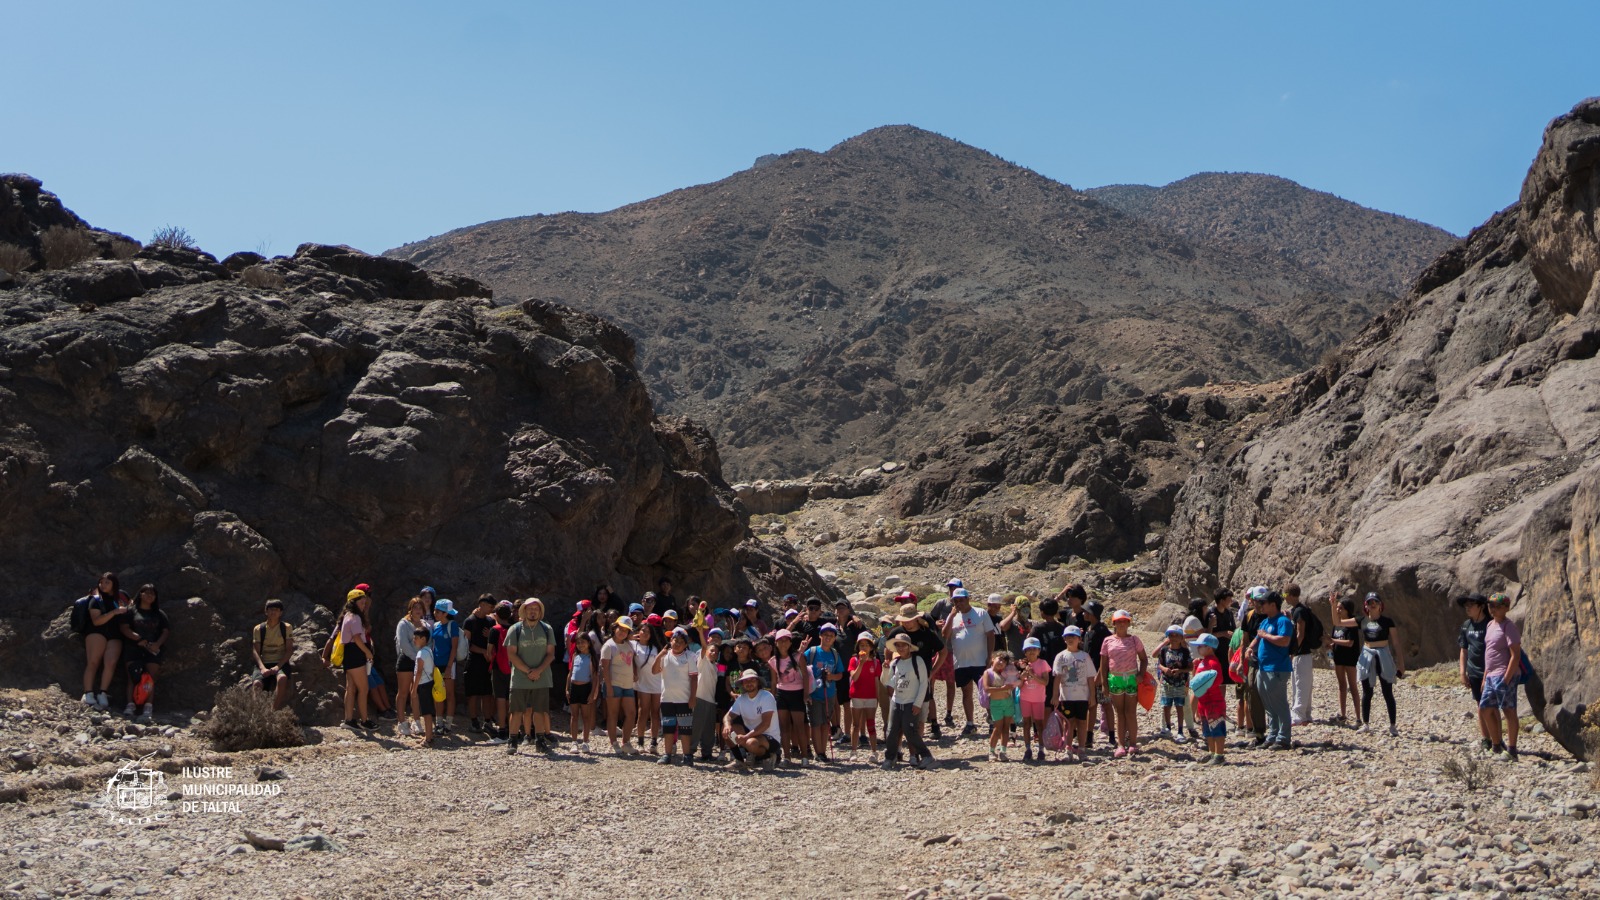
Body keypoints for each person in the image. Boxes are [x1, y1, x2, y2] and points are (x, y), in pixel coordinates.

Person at [886, 601, 946, 743]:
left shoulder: (928, 634)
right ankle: (899, 749)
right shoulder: (897, 632)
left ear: (916, 618)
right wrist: (890, 663)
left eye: (909, 620)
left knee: (919, 717)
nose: (907, 624)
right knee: (899, 718)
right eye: (904, 621)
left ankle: (917, 749)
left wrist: (933, 671)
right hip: (902, 680)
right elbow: (888, 648)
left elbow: (943, 651)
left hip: (921, 681)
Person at [504, 597, 557, 754]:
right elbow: (511, 654)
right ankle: (512, 740)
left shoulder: (547, 629)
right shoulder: (515, 629)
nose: (533, 611)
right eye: (530, 608)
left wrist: (538, 670)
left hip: (542, 676)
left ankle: (540, 740)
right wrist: (529, 671)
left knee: (540, 710)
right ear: (524, 611)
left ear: (540, 611)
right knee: (516, 710)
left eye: (536, 609)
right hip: (520, 677)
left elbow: (551, 654)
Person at [941, 588, 996, 737]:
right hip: (961, 662)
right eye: (955, 600)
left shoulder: (980, 613)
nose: (959, 603)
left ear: (968, 599)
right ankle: (970, 723)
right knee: (966, 692)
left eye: (961, 599)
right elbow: (944, 636)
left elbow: (990, 635)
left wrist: (989, 656)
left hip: (980, 660)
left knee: (985, 691)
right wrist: (951, 616)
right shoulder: (952, 617)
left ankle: (992, 721)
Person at [880, 633, 934, 770]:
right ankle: (890, 757)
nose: (901, 648)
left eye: (903, 645)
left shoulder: (918, 661)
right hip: (896, 701)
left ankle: (926, 755)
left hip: (911, 701)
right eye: (898, 645)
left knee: (910, 731)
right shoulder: (894, 663)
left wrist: (918, 703)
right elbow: (886, 682)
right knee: (891, 731)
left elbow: (924, 683)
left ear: (909, 647)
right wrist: (885, 670)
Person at [1098, 609, 1147, 758]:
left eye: (1124, 621)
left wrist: (1141, 674)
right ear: (1114, 623)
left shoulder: (1134, 640)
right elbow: (1104, 663)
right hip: (1115, 679)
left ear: (1128, 623)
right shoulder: (1107, 641)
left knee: (1130, 712)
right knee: (1119, 713)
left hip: (1131, 679)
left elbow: (1144, 659)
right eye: (1118, 621)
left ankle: (1132, 743)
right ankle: (1120, 745)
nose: (1121, 624)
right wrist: (1104, 684)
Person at [1250, 592, 1294, 750]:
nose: (1261, 606)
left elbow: (1284, 641)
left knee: (1279, 703)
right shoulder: (1265, 621)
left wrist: (1266, 635)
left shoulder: (1283, 621)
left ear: (1273, 605)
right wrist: (1250, 648)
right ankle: (1272, 735)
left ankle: (1284, 738)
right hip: (1263, 667)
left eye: (1264, 603)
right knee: (1268, 705)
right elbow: (1258, 637)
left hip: (1277, 669)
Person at [1481, 593, 1522, 761]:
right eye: (1491, 605)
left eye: (1497, 606)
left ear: (1506, 608)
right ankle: (1496, 745)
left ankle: (1512, 750)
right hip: (1491, 675)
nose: (1493, 609)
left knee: (1508, 710)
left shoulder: (1509, 626)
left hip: (1505, 674)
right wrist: (1485, 677)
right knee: (1485, 709)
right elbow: (1488, 653)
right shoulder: (1490, 625)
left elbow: (1515, 655)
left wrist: (1506, 678)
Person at [1357, 593, 1405, 736]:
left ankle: (1392, 725)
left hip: (1383, 655)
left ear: (1380, 605)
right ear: (1366, 605)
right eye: (1369, 602)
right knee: (1367, 692)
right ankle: (1365, 724)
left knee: (1387, 691)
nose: (1373, 604)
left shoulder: (1387, 621)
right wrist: (1334, 605)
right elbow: (1338, 622)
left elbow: (1396, 642)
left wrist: (1401, 663)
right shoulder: (1362, 621)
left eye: (1375, 602)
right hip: (1367, 655)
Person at [119, 584, 168, 722]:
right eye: (146, 593)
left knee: (150, 679)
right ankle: (130, 706)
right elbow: (124, 628)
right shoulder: (131, 611)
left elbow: (165, 631)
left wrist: (157, 644)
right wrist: (139, 639)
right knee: (132, 676)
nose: (149, 596)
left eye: (152, 594)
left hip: (153, 650)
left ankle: (148, 707)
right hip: (133, 648)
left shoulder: (159, 613)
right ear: (140, 594)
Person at [80, 572, 129, 709]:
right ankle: (88, 693)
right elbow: (96, 621)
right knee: (93, 662)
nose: (103, 585)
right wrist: (114, 612)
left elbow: (129, 610)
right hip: (97, 632)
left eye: (107, 582)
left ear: (114, 584)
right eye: (101, 582)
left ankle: (103, 692)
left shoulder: (120, 597)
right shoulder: (95, 600)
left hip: (115, 634)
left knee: (111, 663)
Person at [651, 626, 699, 764]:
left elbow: (694, 678)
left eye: (680, 641)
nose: (677, 644)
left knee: (685, 730)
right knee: (668, 729)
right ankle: (667, 754)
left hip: (684, 699)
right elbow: (654, 671)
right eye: (674, 640)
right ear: (670, 641)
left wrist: (692, 697)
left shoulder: (690, 656)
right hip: (667, 699)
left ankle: (687, 755)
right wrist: (660, 655)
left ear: (686, 644)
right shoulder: (665, 656)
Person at [723, 669, 782, 771]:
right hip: (752, 734)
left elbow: (765, 724)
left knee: (751, 743)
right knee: (727, 731)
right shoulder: (741, 699)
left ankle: (768, 757)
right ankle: (739, 760)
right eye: (746, 681)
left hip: (770, 736)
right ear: (742, 683)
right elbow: (727, 716)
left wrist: (746, 736)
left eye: (752, 680)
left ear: (758, 682)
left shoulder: (766, 696)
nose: (749, 683)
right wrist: (727, 725)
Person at [1051, 626, 1095, 762]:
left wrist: (1092, 695)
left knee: (1082, 722)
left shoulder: (1084, 656)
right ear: (1064, 639)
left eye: (1073, 637)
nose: (1070, 639)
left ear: (1079, 639)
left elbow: (1090, 677)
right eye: (1067, 637)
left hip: (1082, 696)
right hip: (1066, 696)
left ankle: (1082, 749)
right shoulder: (1061, 656)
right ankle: (1068, 748)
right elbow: (1057, 677)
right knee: (1068, 723)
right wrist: (1055, 695)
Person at [1454, 592, 1492, 751]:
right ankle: (1486, 738)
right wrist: (1462, 672)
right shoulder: (1466, 626)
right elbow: (1464, 650)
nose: (1467, 608)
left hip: (1491, 672)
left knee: (1492, 705)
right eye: (1466, 606)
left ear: (1481, 606)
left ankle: (1497, 738)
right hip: (1474, 672)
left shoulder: (1490, 624)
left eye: (1471, 605)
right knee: (1480, 705)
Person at [335, 588, 375, 730]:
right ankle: (364, 721)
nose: (364, 604)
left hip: (348, 654)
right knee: (363, 689)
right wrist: (368, 653)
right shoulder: (356, 617)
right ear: (354, 602)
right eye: (361, 602)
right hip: (356, 653)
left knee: (350, 688)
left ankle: (349, 720)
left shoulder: (346, 616)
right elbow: (358, 639)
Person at [804, 624, 845, 763]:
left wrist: (831, 677)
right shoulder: (812, 651)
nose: (828, 638)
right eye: (825, 635)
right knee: (815, 723)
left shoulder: (834, 654)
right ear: (820, 636)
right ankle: (819, 752)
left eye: (831, 636)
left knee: (825, 723)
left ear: (834, 638)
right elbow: (801, 666)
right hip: (814, 694)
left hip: (830, 694)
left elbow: (840, 674)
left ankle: (823, 752)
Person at [769, 629, 811, 763]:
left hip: (797, 693)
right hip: (782, 694)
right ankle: (787, 756)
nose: (783, 643)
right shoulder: (773, 661)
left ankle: (804, 756)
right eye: (780, 640)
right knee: (784, 727)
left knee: (799, 726)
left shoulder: (798, 657)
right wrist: (772, 699)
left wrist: (805, 695)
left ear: (790, 642)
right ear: (776, 643)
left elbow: (805, 676)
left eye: (786, 640)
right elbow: (774, 681)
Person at [601, 617, 639, 755]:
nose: (623, 632)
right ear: (614, 628)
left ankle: (626, 742)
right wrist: (609, 687)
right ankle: (614, 743)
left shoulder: (629, 644)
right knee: (613, 715)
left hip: (628, 684)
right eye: (620, 629)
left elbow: (632, 660)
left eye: (626, 630)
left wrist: (635, 672)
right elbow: (604, 668)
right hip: (614, 683)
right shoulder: (608, 646)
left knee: (631, 713)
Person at [1284, 584, 1320, 726]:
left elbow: (1300, 633)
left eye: (1285, 595)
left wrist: (1292, 651)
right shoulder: (1297, 610)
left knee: (1300, 683)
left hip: (1301, 654)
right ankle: (1305, 714)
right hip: (1302, 654)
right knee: (1303, 683)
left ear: (1292, 595)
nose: (1284, 598)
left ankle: (1299, 714)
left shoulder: (1300, 611)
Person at [1189, 633, 1228, 765]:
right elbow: (1196, 679)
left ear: (1210, 648)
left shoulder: (1213, 662)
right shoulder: (1202, 662)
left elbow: (1218, 679)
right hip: (1203, 701)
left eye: (1201, 646)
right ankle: (1212, 753)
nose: (1198, 648)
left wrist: (1206, 686)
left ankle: (1219, 754)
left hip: (1213, 701)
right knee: (1207, 730)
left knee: (1216, 726)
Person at [252, 599, 296, 712]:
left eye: (276, 610)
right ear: (266, 612)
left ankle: (273, 711)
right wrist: (262, 668)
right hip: (264, 662)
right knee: (257, 684)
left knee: (282, 678)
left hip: (280, 662)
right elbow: (255, 651)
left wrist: (278, 666)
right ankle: (257, 713)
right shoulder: (258, 629)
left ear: (280, 612)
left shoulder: (286, 628)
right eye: (270, 610)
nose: (273, 612)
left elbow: (289, 650)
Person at [462, 595, 497, 734]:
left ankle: (487, 721)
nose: (491, 609)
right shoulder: (470, 621)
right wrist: (484, 651)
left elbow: (495, 641)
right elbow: (467, 644)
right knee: (473, 694)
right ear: (482, 604)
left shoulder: (490, 621)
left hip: (487, 663)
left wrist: (490, 649)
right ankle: (474, 721)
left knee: (487, 693)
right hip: (474, 661)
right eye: (490, 606)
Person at [690, 627, 725, 763]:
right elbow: (704, 647)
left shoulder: (717, 666)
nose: (714, 653)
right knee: (696, 727)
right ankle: (690, 751)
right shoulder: (702, 661)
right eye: (712, 650)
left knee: (709, 729)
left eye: (716, 652)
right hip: (699, 697)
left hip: (711, 700)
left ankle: (707, 752)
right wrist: (700, 632)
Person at [846, 631, 882, 762]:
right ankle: (853, 751)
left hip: (871, 697)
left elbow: (876, 681)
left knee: (871, 724)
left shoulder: (876, 662)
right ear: (858, 647)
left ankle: (874, 752)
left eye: (867, 645)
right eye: (861, 645)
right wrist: (861, 663)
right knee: (855, 725)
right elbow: (854, 677)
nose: (864, 648)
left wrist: (877, 698)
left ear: (871, 647)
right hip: (856, 696)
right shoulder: (854, 660)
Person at [1081, 601, 1112, 748]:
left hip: (1099, 674)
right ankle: (1089, 737)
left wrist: (1100, 674)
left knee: (1105, 704)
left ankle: (1112, 736)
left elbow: (1105, 655)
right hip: (1088, 673)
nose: (1083, 613)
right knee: (1091, 705)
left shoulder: (1102, 631)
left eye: (1086, 611)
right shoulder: (1089, 629)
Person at [633, 615, 666, 755]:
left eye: (648, 631)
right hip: (643, 683)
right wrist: (631, 637)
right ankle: (640, 741)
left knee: (655, 713)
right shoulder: (633, 645)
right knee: (642, 711)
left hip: (657, 682)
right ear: (638, 632)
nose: (645, 633)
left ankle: (653, 742)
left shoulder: (656, 647)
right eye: (642, 631)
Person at [393, 596, 425, 733]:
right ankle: (401, 722)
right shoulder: (403, 624)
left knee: (415, 692)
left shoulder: (425, 625)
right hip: (406, 660)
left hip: (419, 661)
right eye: (415, 608)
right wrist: (416, 657)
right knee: (403, 692)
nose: (418, 610)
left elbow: (428, 642)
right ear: (410, 610)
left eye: (420, 608)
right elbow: (403, 644)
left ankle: (417, 721)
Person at [429, 599, 462, 734]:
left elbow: (454, 648)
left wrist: (449, 667)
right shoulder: (436, 626)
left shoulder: (452, 625)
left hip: (448, 664)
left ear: (445, 613)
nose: (434, 613)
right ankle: (439, 723)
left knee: (449, 693)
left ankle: (448, 724)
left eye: (437, 611)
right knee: (438, 693)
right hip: (436, 665)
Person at [1329, 595, 1362, 725]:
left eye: (1340, 608)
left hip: (1350, 658)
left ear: (1347, 610)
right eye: (1337, 608)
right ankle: (1343, 715)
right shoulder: (1337, 626)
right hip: (1338, 657)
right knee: (1342, 685)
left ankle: (1358, 717)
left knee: (1353, 687)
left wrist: (1333, 641)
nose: (1338, 610)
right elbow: (1335, 637)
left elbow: (1349, 642)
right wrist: (1331, 644)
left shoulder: (1351, 624)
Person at [1155, 625, 1191, 743]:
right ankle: (1168, 728)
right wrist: (1164, 669)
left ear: (1182, 638)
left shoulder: (1185, 652)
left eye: (1177, 636)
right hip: (1167, 682)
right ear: (1168, 637)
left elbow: (1190, 667)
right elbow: (1159, 663)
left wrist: (1180, 671)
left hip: (1180, 683)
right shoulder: (1164, 650)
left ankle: (1180, 731)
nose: (1174, 638)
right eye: (1171, 635)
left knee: (1179, 706)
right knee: (1166, 705)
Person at [1017, 637, 1050, 761]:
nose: (1031, 652)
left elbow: (1045, 682)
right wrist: (1022, 677)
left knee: (1039, 724)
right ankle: (1027, 749)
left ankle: (1041, 749)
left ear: (1039, 651)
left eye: (1034, 649)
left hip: (1038, 698)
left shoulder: (1043, 664)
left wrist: (1033, 675)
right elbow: (1018, 685)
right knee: (1026, 723)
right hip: (1025, 697)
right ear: (1024, 652)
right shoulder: (1022, 665)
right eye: (1029, 649)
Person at [982, 651, 1019, 761]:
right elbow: (987, 688)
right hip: (996, 704)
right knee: (997, 728)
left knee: (1006, 727)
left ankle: (1003, 751)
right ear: (993, 659)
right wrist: (1002, 688)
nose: (1001, 662)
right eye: (999, 659)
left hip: (1008, 702)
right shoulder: (988, 673)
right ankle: (991, 751)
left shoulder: (1006, 672)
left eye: (1004, 661)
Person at [489, 600, 515, 744]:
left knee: (500, 698)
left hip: (498, 667)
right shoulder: (514, 628)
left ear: (497, 615)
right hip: (513, 667)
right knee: (509, 699)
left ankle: (502, 730)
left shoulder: (495, 629)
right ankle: (513, 729)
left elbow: (489, 652)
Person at [567, 631, 598, 751]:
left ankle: (585, 742)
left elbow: (595, 677)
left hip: (586, 688)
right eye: (578, 643)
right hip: (574, 688)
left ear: (589, 643)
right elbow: (570, 674)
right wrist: (567, 689)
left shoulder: (591, 657)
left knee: (586, 716)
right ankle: (574, 741)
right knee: (574, 716)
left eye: (583, 642)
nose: (580, 645)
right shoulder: (575, 656)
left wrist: (592, 693)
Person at [408, 625, 437, 746]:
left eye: (416, 638)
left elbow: (419, 672)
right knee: (428, 710)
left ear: (423, 639)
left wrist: (414, 689)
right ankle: (428, 735)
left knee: (426, 712)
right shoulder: (429, 650)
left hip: (423, 685)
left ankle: (428, 738)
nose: (414, 640)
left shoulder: (421, 654)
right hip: (429, 682)